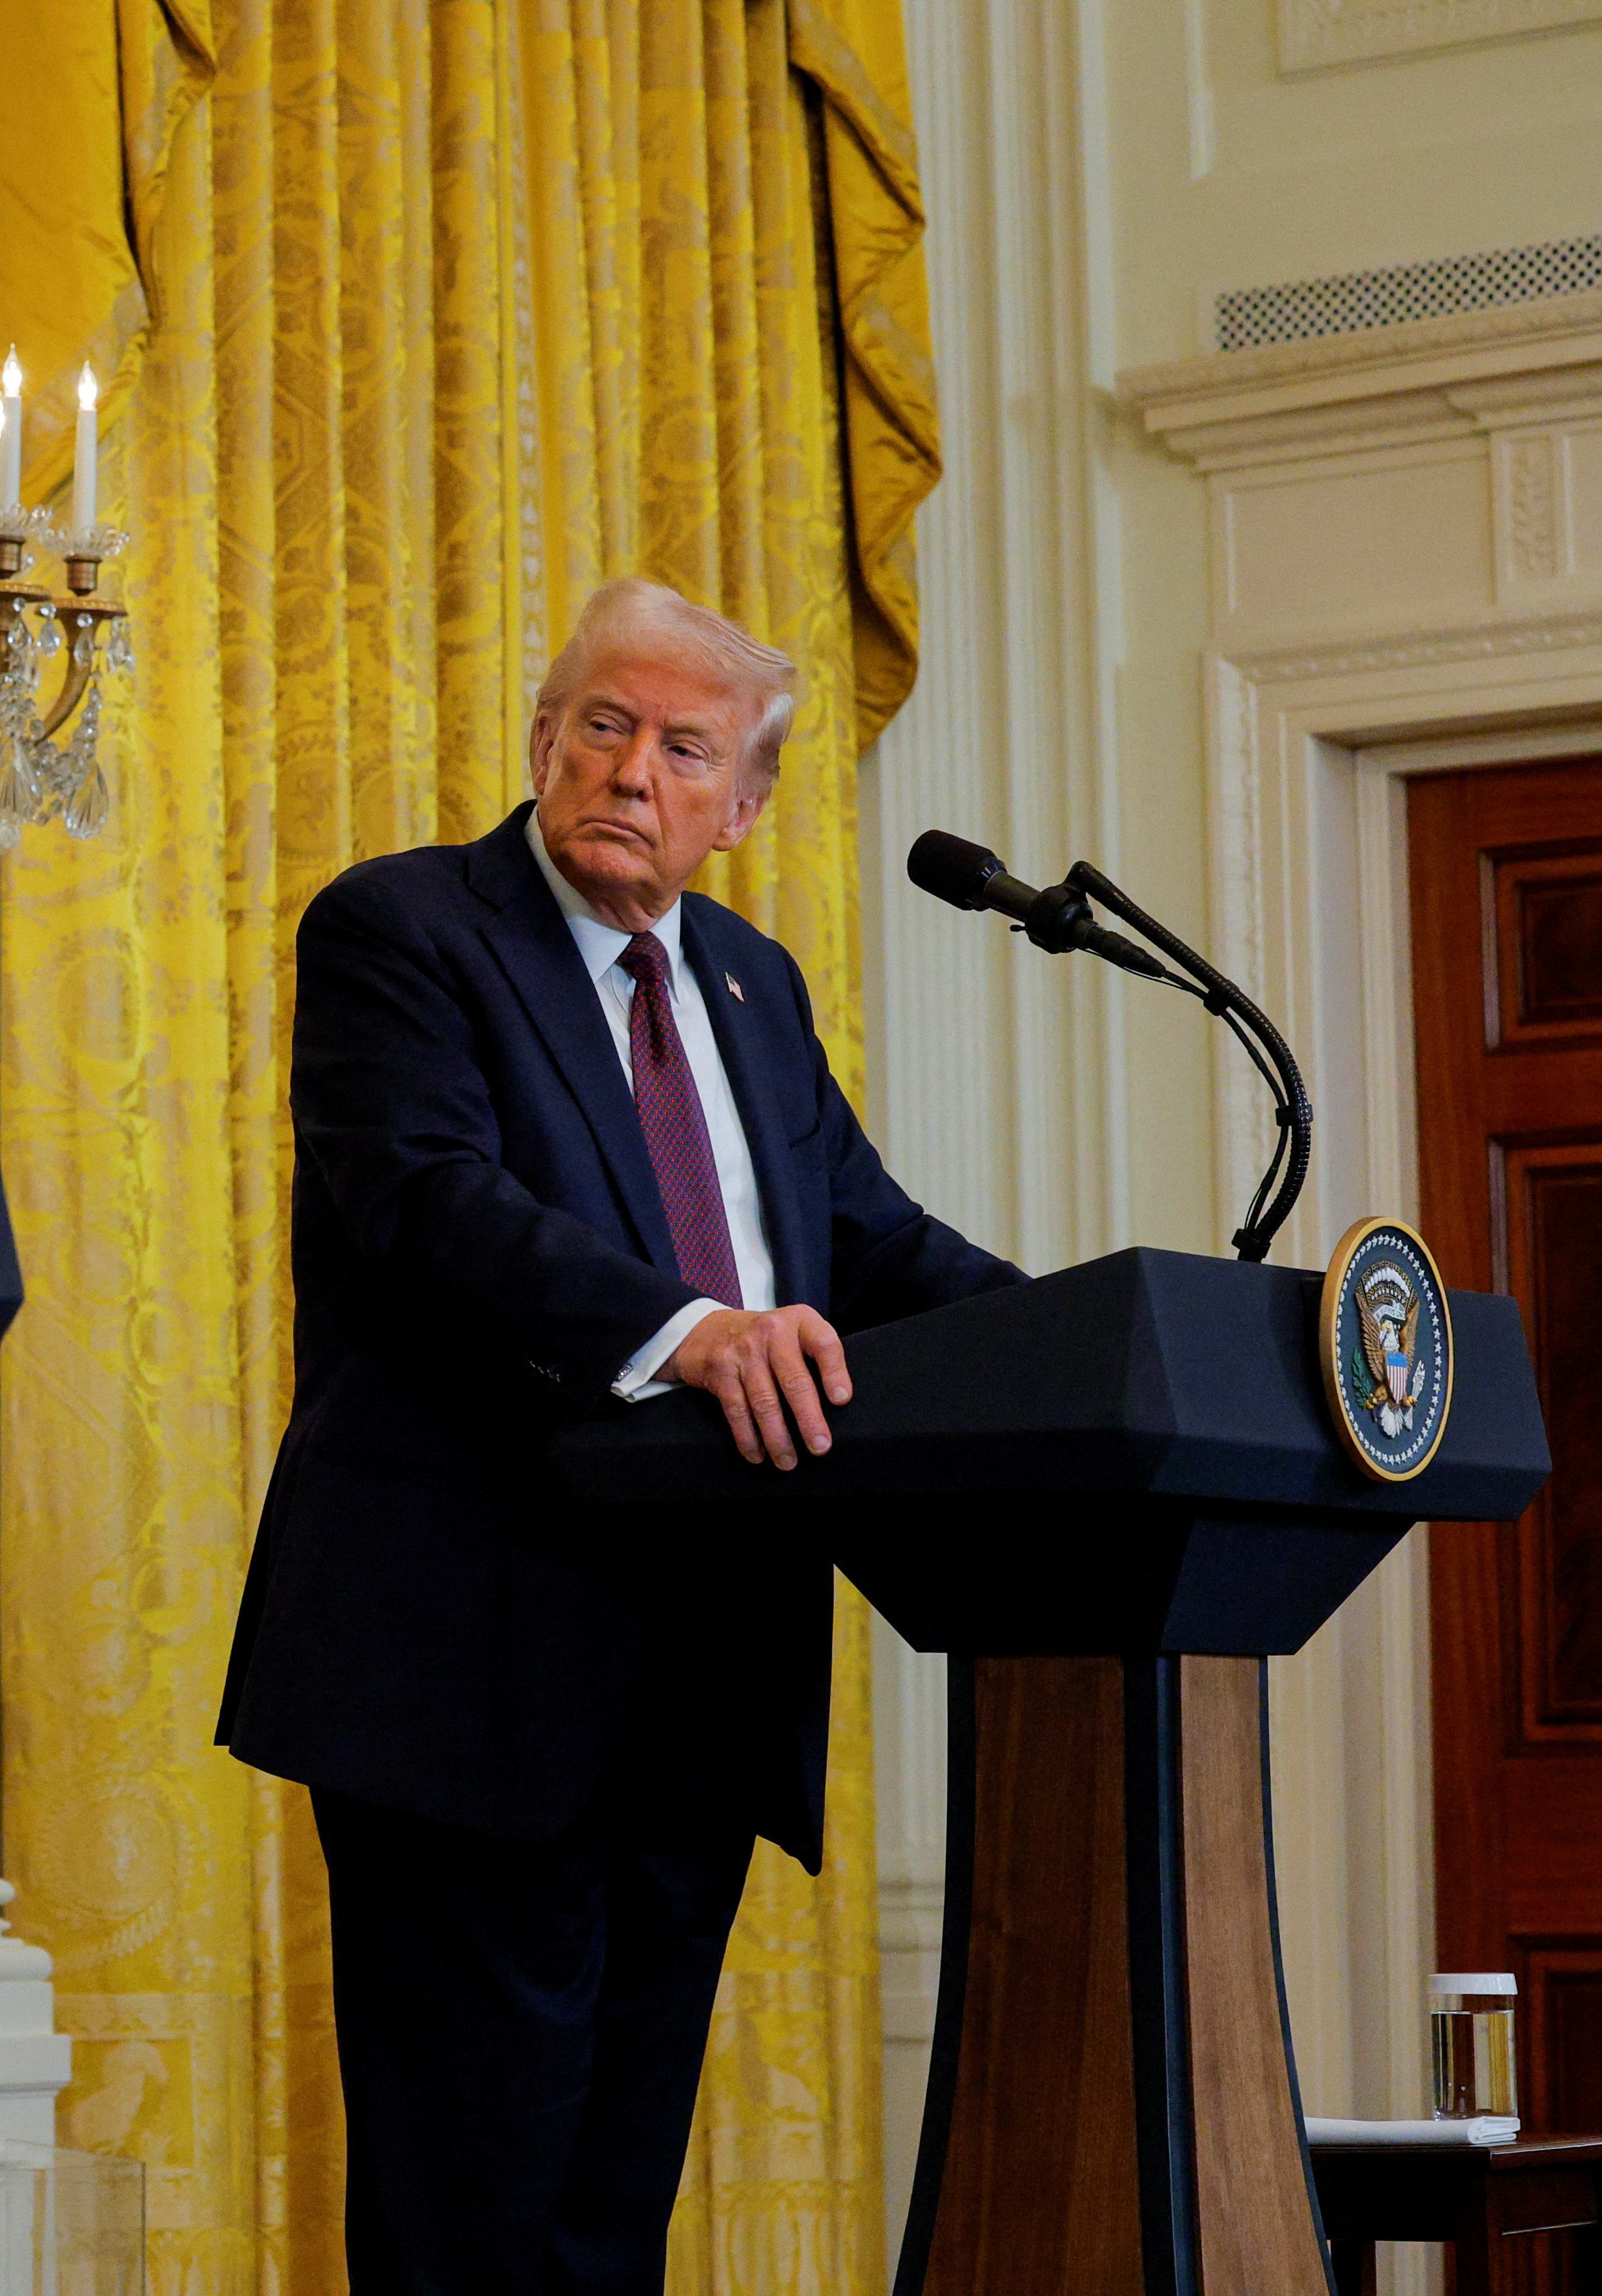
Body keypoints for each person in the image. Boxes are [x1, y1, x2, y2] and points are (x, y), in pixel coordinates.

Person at [217, 580, 1024, 2294]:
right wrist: (689, 1333)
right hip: (471, 1660)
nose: (632, 772)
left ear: (740, 806)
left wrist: (1101, 1332)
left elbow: (868, 1245)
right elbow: (431, 1201)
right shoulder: (404, 932)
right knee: (471, 2204)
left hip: (703, 1663)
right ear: (539, 739)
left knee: (608, 2204)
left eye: (681, 748)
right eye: (602, 724)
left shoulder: (745, 982)